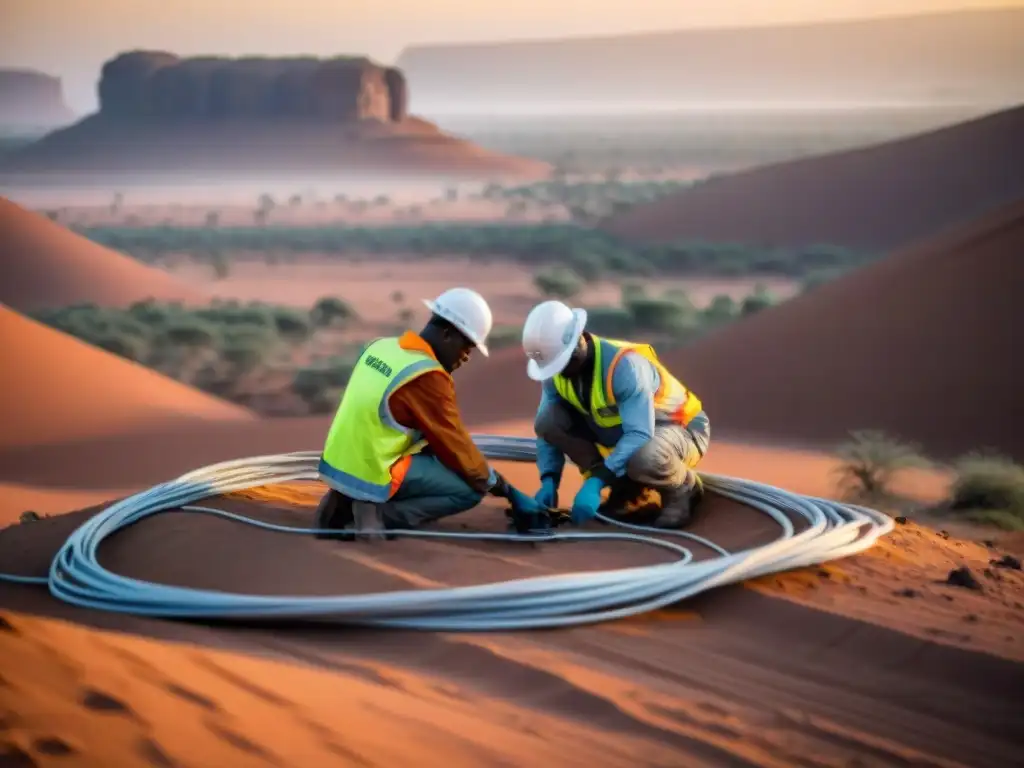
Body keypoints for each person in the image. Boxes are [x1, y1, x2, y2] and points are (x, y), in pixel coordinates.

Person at [314, 287, 548, 538]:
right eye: (466, 347)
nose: (467, 357)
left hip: (338, 463)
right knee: (468, 489)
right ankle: (378, 518)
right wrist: (506, 489)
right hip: (374, 470)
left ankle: (342, 501)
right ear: (447, 334)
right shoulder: (428, 376)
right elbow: (456, 446)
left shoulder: (380, 347)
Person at [521, 299, 711, 529]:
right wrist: (549, 480)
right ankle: (626, 489)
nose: (558, 371)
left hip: (680, 428)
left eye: (562, 362)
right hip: (624, 433)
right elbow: (546, 428)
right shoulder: (556, 372)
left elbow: (640, 433)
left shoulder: (625, 367)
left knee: (644, 457)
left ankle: (684, 489)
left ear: (578, 341)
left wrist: (597, 482)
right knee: (549, 420)